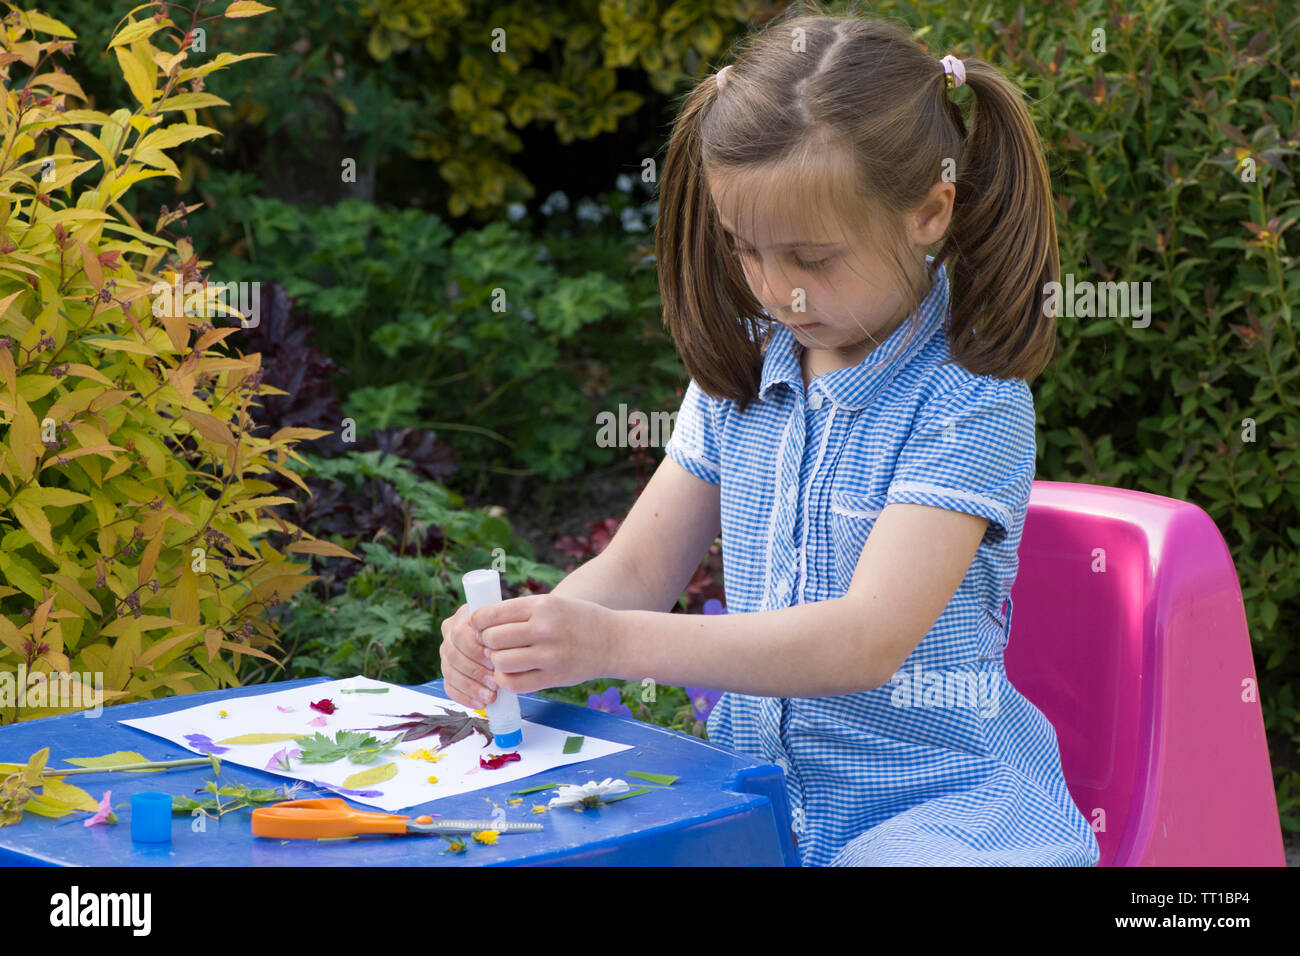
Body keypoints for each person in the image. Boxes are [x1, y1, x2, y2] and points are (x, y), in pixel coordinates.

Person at [439, 5, 1100, 867]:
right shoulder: (749, 368)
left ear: (930, 212)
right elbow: (639, 570)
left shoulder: (967, 399)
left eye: (813, 259)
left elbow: (866, 639)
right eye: (748, 251)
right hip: (762, 798)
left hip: (945, 814)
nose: (776, 292)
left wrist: (607, 643)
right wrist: (523, 636)